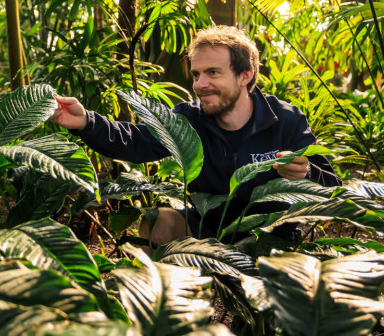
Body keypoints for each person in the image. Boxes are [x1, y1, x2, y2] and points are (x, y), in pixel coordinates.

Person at [50, 25, 340, 245]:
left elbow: (333, 187)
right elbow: (136, 141)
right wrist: (86, 122)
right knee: (157, 223)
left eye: (213, 73)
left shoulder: (286, 120)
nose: (200, 84)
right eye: (196, 74)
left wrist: (304, 173)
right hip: (208, 229)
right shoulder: (188, 118)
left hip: (271, 237)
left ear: (245, 75)